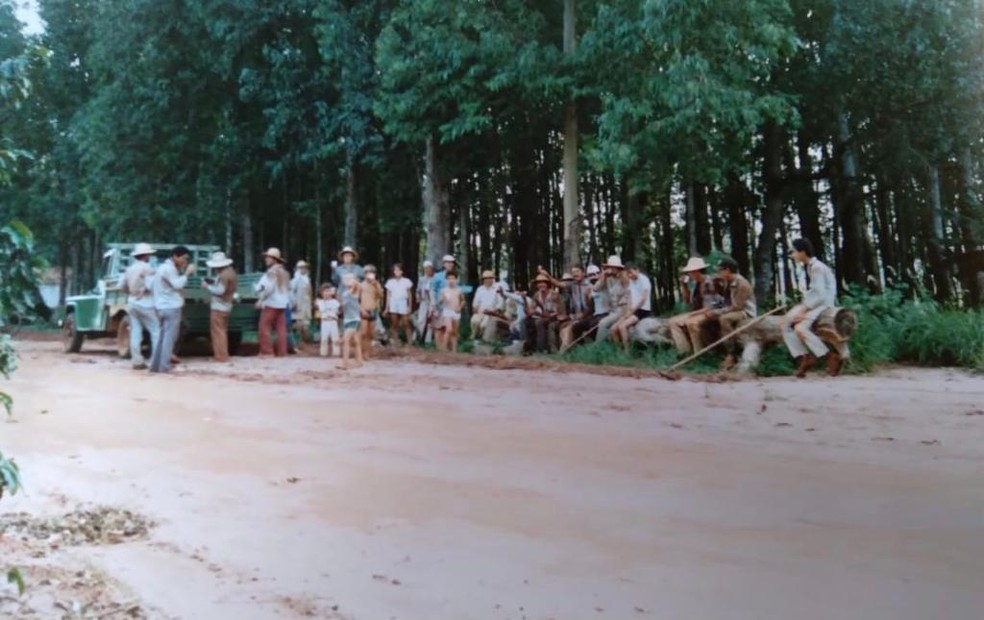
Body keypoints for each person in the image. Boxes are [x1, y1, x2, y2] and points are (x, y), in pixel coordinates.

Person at [782, 238, 841, 377]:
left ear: (802, 252)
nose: (792, 255)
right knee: (785, 322)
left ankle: (829, 357)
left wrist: (803, 311)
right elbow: (814, 292)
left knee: (800, 328)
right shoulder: (810, 266)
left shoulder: (817, 267)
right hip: (813, 302)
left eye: (794, 252)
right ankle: (804, 357)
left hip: (823, 303)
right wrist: (803, 306)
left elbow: (820, 295)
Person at [149, 246, 196, 373]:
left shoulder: (163, 268)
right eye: (184, 258)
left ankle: (155, 365)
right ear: (175, 256)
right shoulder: (169, 269)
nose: (185, 261)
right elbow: (178, 284)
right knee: (169, 338)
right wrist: (187, 273)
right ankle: (164, 366)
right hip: (171, 307)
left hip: (161, 306)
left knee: (162, 337)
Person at [710, 257, 757, 370]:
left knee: (724, 319)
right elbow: (725, 299)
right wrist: (716, 285)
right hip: (734, 309)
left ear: (728, 270)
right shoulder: (728, 281)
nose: (719, 272)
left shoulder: (742, 284)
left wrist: (718, 312)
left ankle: (732, 353)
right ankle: (715, 350)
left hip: (745, 311)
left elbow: (738, 306)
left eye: (720, 270)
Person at [118, 243, 159, 370]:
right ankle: (155, 361)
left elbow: (121, 286)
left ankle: (137, 361)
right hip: (146, 301)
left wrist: (132, 292)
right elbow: (151, 286)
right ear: (146, 255)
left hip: (132, 301)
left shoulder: (129, 269)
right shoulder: (149, 269)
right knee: (156, 331)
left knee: (135, 331)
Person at [669, 256, 721, 354]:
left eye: (691, 272)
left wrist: (691, 314)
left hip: (712, 311)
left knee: (691, 323)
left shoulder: (708, 283)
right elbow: (687, 300)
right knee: (672, 322)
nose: (689, 274)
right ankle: (684, 351)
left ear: (697, 271)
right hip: (699, 311)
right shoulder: (694, 284)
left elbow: (709, 307)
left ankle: (699, 352)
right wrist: (684, 286)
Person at [202, 251, 238, 363]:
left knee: (217, 332)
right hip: (227, 304)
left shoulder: (223, 275)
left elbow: (220, 291)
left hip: (219, 305)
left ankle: (220, 356)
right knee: (222, 331)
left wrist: (207, 287)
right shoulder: (231, 272)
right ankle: (223, 355)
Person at [254, 247, 291, 358]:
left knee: (264, 327)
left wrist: (261, 300)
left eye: (268, 257)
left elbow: (269, 288)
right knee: (281, 329)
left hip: (272, 303)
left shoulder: (272, 272)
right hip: (283, 304)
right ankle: (282, 352)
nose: (266, 259)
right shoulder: (284, 272)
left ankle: (267, 352)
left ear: (274, 259)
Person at [612, 262, 653, 353]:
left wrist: (632, 310)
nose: (630, 275)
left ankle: (627, 351)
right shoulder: (631, 281)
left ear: (637, 270)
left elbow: (643, 299)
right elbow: (630, 297)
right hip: (633, 310)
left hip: (642, 310)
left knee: (622, 326)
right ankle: (619, 351)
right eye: (628, 273)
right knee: (613, 328)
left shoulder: (644, 280)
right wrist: (629, 310)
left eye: (631, 272)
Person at [593, 256, 631, 343]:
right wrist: (603, 276)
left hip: (623, 308)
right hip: (613, 310)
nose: (610, 269)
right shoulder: (608, 279)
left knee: (603, 323)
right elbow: (595, 289)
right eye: (609, 267)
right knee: (604, 324)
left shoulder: (623, 276)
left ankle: (597, 346)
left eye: (612, 267)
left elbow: (628, 290)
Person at [569, 265, 608, 347]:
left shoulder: (604, 283)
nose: (593, 276)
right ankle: (579, 348)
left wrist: (603, 275)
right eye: (590, 275)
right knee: (576, 326)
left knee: (592, 324)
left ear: (599, 274)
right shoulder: (591, 287)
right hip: (596, 315)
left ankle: (597, 347)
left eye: (595, 274)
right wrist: (587, 297)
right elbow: (591, 305)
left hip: (606, 313)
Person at [526, 273, 562, 352]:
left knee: (548, 324)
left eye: (543, 283)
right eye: (539, 283)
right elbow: (532, 309)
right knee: (534, 322)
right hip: (545, 317)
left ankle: (553, 348)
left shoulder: (554, 295)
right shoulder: (537, 295)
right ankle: (540, 348)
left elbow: (559, 311)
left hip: (557, 318)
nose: (541, 285)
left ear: (547, 284)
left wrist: (545, 315)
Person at [384, 263, 414, 346]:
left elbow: (409, 295)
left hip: (403, 302)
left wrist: (409, 306)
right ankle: (396, 342)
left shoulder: (406, 281)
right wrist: (387, 307)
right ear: (393, 272)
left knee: (406, 323)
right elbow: (388, 295)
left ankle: (410, 342)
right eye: (395, 270)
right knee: (394, 323)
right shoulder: (390, 282)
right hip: (393, 303)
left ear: (402, 271)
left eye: (399, 270)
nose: (397, 272)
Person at [470, 270, 504, 343]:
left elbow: (500, 303)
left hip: (492, 313)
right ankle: (474, 338)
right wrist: (476, 309)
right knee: (474, 321)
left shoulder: (497, 288)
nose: (488, 279)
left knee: (484, 325)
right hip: (480, 312)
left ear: (493, 278)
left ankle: (483, 340)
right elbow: (475, 303)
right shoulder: (480, 289)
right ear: (483, 279)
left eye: (490, 277)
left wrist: (495, 311)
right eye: (486, 278)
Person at [339, 273, 364, 369]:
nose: (346, 280)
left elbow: (359, 286)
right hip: (347, 319)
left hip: (354, 319)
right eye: (345, 278)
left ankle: (345, 363)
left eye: (349, 278)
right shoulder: (345, 292)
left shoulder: (355, 291)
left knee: (346, 340)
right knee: (356, 341)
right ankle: (360, 361)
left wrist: (353, 281)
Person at [359, 265, 384, 359]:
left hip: (373, 310)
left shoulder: (376, 284)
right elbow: (356, 299)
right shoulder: (361, 285)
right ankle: (360, 352)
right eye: (367, 273)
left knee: (370, 334)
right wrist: (361, 309)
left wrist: (376, 285)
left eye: (371, 273)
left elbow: (380, 296)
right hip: (364, 310)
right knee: (363, 333)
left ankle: (367, 353)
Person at [439, 271, 465, 352]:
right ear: (446, 280)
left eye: (453, 278)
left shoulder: (459, 290)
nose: (451, 280)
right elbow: (440, 301)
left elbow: (463, 300)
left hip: (456, 312)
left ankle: (454, 350)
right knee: (449, 329)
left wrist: (460, 307)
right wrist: (443, 299)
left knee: (455, 332)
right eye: (449, 279)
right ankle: (443, 348)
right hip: (447, 311)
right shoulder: (444, 290)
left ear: (456, 280)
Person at [290, 260, 313, 344]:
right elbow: (291, 292)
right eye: (301, 267)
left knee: (306, 325)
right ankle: (297, 342)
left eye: (304, 267)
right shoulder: (295, 280)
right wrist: (293, 303)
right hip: (298, 305)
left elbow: (309, 292)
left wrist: (311, 303)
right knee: (298, 324)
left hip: (306, 305)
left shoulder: (307, 279)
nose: (303, 269)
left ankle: (305, 342)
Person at [316, 284, 340, 358]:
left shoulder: (335, 302)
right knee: (324, 338)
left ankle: (336, 353)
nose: (327, 293)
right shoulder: (320, 302)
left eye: (328, 291)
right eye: (325, 291)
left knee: (335, 338)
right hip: (325, 321)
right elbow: (320, 310)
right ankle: (323, 353)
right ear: (321, 293)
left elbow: (338, 310)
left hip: (333, 321)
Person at [415, 260, 436, 344]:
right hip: (424, 301)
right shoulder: (421, 279)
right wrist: (418, 296)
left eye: (429, 268)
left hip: (433, 302)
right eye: (426, 268)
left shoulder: (435, 279)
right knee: (421, 319)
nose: (427, 270)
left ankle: (428, 340)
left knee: (431, 320)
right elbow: (418, 290)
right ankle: (418, 338)